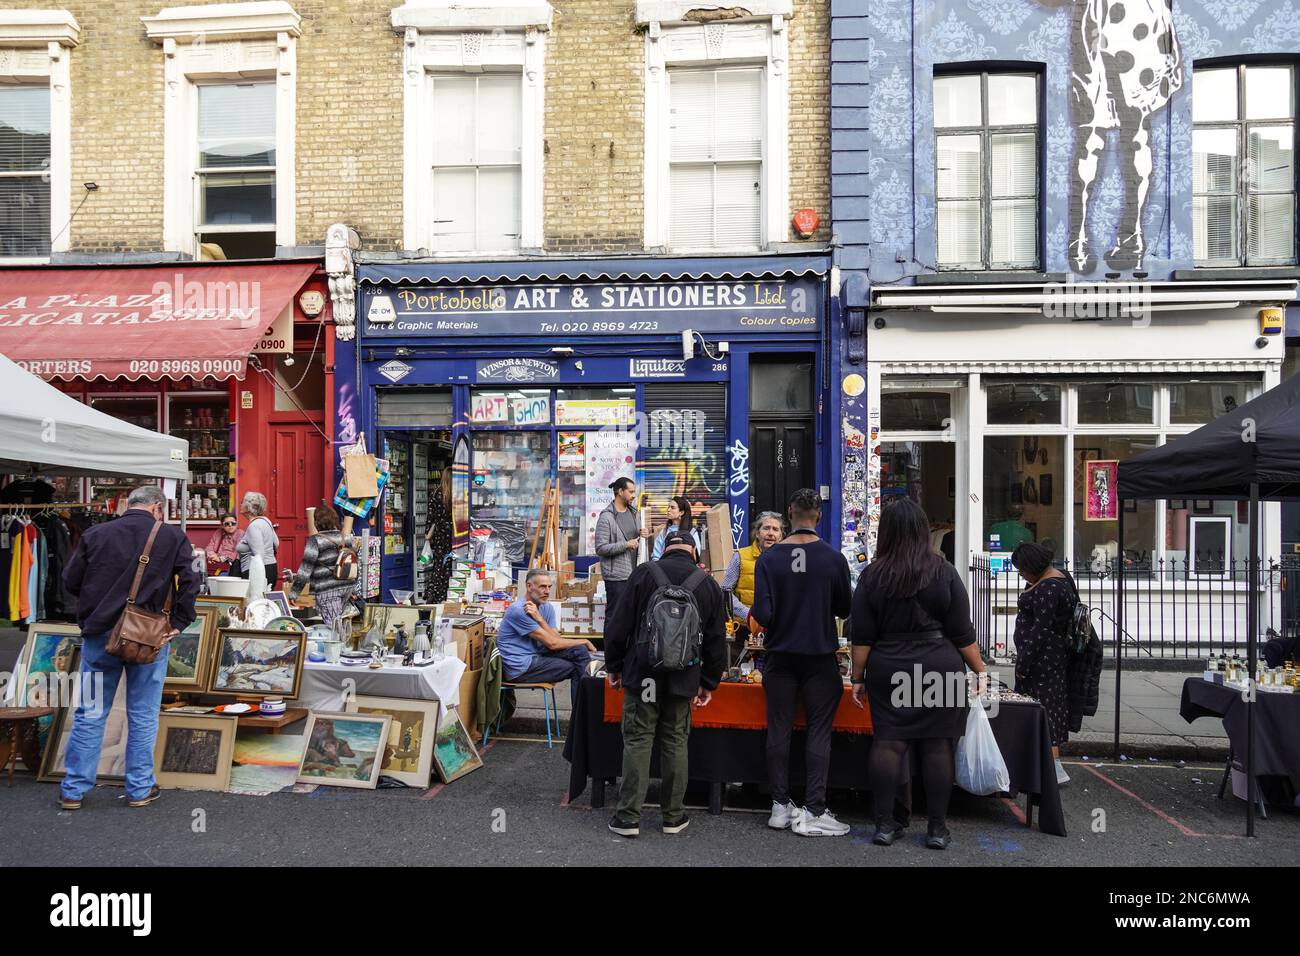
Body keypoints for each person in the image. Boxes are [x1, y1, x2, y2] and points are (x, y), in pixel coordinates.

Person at [850, 498, 987, 850]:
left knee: (889, 744)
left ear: (888, 533)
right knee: (938, 747)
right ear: (924, 530)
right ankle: (937, 829)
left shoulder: (872, 576)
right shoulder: (943, 571)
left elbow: (862, 637)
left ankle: (884, 825)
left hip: (890, 664)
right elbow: (962, 631)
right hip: (939, 664)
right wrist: (980, 669)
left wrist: (858, 677)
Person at [59, 483, 200, 810]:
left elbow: (70, 580)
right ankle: (139, 789)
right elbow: (193, 579)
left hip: (98, 636)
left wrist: (96, 605)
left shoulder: (96, 534)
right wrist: (179, 621)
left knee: (90, 713)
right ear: (157, 508)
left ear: (128, 504)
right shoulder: (171, 536)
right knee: (144, 714)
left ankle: (73, 790)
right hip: (148, 637)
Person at [604, 530, 727, 837]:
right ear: (694, 553)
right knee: (675, 741)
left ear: (665, 551)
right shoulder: (707, 584)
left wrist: (614, 666)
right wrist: (709, 682)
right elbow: (715, 641)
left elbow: (618, 625)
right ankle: (673, 817)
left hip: (643, 673)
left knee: (638, 741)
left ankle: (628, 818)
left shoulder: (643, 574)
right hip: (683, 676)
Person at [751, 488, 853, 837]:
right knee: (819, 733)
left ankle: (780, 806)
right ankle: (814, 809)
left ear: (789, 512)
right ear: (819, 515)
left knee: (778, 729)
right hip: (820, 657)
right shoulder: (833, 558)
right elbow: (845, 609)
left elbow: (762, 613)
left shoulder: (768, 559)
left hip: (780, 657)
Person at [1010, 541, 1074, 786]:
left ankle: (1054, 770)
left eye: (1022, 569)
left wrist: (1023, 665)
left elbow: (1041, 630)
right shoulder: (1054, 578)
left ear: (1032, 566)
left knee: (1044, 711)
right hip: (1048, 659)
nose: (1021, 575)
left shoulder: (1049, 587)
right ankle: (1047, 767)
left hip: (1043, 662)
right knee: (1046, 710)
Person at [495, 569, 595, 708]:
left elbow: (556, 639)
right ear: (529, 587)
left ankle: (583, 719)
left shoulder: (546, 607)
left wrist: (540, 619)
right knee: (577, 668)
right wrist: (585, 640)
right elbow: (553, 644)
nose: (547, 591)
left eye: (549, 587)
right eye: (542, 586)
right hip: (520, 668)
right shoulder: (519, 610)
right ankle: (582, 719)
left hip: (535, 656)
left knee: (579, 652)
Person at [286, 501, 358, 629]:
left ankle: (339, 648)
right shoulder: (345, 537)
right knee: (340, 625)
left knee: (334, 629)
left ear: (316, 522)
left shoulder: (316, 540)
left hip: (328, 589)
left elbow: (305, 569)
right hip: (346, 587)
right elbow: (353, 562)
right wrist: (354, 589)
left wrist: (294, 593)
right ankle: (344, 646)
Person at [594, 477, 652, 620]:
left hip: (635, 574)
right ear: (620, 491)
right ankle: (611, 643)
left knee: (631, 618)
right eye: (631, 492)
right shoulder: (606, 517)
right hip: (617, 578)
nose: (634, 495)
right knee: (615, 617)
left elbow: (637, 537)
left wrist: (644, 533)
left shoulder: (634, 513)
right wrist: (626, 544)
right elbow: (600, 548)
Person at [722, 510, 784, 624]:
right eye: (766, 528)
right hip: (744, 626)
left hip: (776, 627)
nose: (770, 533)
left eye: (775, 529)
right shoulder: (740, 556)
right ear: (757, 533)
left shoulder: (787, 560)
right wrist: (748, 614)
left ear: (780, 536)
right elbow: (725, 590)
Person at [234, 491, 279, 583]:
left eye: (243, 502)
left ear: (249, 507)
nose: (240, 504)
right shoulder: (266, 521)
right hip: (271, 567)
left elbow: (259, 556)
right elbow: (276, 543)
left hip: (257, 573)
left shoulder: (253, 526)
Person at [423, 469, 453, 604]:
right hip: (455, 534)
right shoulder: (457, 494)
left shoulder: (436, 494)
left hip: (441, 534)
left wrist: (427, 532)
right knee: (451, 565)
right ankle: (450, 593)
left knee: (439, 564)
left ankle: (434, 593)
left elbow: (431, 516)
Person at [651, 495, 702, 560]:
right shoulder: (664, 532)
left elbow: (696, 557)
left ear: (681, 512)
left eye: (672, 507)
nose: (668, 510)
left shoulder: (692, 532)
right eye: (668, 507)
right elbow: (656, 557)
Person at [204, 512, 243, 576]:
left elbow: (236, 554)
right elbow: (209, 547)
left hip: (232, 567)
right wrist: (211, 556)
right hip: (216, 566)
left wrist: (220, 559)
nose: (230, 525)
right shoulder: (219, 532)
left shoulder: (240, 534)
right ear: (222, 525)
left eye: (233, 523)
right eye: (227, 524)